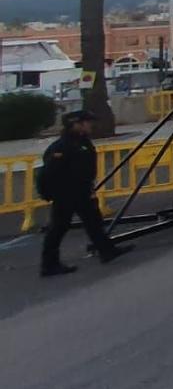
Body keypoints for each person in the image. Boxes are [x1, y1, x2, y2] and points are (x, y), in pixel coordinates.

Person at [38, 111, 129, 277]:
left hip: (82, 191)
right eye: (87, 122)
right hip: (66, 194)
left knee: (94, 221)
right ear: (76, 124)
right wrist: (48, 193)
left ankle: (106, 251)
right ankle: (49, 265)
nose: (91, 125)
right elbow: (48, 173)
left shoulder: (82, 142)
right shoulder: (61, 146)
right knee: (58, 227)